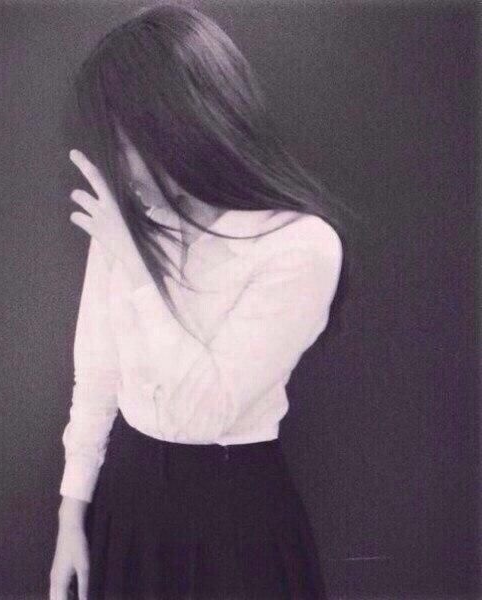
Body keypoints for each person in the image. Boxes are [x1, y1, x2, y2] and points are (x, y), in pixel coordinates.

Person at [50, 4, 350, 599]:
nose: (121, 168)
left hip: (235, 519)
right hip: (127, 501)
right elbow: (98, 374)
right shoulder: (128, 224)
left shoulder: (301, 245)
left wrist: (134, 264)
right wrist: (70, 514)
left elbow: (203, 412)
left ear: (184, 123)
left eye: (127, 142)